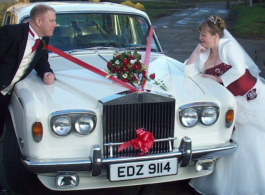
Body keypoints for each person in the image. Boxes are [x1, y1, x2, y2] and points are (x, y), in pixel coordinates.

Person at [185, 16, 265, 195]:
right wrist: (196, 52)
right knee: (227, 137)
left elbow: (239, 68)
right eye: (200, 34)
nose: (201, 38)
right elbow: (188, 72)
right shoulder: (205, 52)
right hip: (229, 102)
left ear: (216, 36)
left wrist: (219, 78)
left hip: (248, 97)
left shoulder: (228, 47)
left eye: (204, 35)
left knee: (250, 141)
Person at [0, 4, 57, 138]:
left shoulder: (43, 39)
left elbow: (41, 62)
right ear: (38, 21)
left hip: (6, 95)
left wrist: (47, 73)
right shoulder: (9, 33)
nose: (55, 24)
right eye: (51, 20)